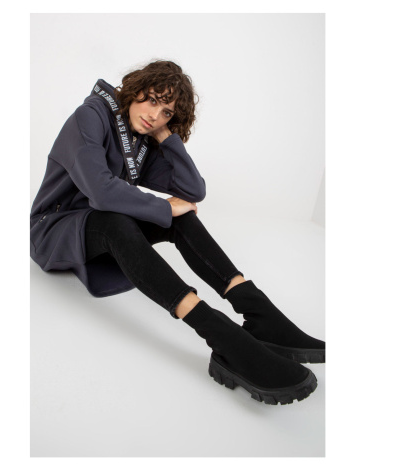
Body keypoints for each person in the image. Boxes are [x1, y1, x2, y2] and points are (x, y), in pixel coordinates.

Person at [30, 60, 325, 405]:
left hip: (100, 229)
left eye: (166, 112)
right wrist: (164, 206)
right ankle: (221, 336)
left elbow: (192, 190)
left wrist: (166, 137)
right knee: (126, 219)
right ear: (134, 89)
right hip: (53, 230)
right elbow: (101, 191)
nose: (154, 115)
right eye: (152, 100)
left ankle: (258, 313)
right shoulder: (90, 116)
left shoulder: (139, 140)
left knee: (180, 218)